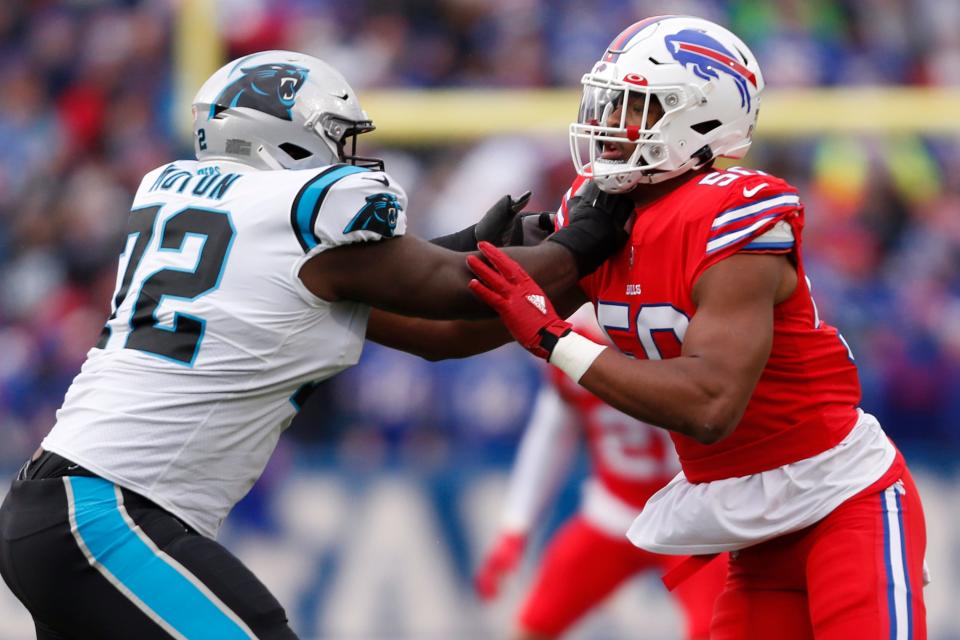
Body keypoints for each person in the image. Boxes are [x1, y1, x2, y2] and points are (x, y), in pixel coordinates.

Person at [0, 51, 634, 640]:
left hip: (65, 511)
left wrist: (545, 273)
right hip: (105, 517)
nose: (349, 157)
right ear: (281, 134)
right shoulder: (295, 215)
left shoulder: (204, 205)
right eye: (338, 137)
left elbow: (441, 337)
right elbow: (456, 295)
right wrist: (591, 235)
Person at [465, 15, 929, 639]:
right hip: (752, 524)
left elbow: (711, 405)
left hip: (842, 499)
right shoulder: (606, 210)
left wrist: (552, 339)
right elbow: (458, 323)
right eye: (608, 102)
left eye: (633, 107)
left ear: (700, 119)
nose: (608, 124)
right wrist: (346, 283)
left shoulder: (738, 212)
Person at [474, 306, 725, 640]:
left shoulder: (679, 328)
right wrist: (515, 526)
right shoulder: (572, 335)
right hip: (613, 511)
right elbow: (550, 434)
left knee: (713, 630)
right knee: (533, 626)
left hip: (690, 516)